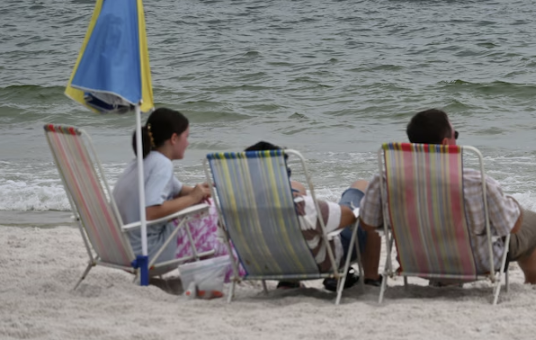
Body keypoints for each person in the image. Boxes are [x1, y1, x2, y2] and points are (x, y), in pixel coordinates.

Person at [357, 109, 536, 288]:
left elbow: (367, 223)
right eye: (455, 134)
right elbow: (512, 226)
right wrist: (513, 204)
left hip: (417, 262)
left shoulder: (385, 179)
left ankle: (442, 279)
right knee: (535, 223)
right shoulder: (477, 182)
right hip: (477, 264)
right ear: (445, 142)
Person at [242, 141, 373, 290]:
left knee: (298, 190)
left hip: (268, 265)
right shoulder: (300, 206)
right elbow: (348, 217)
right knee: (362, 191)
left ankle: (289, 281)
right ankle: (372, 278)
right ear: (280, 175)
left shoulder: (234, 210)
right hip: (321, 263)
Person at [111, 107, 216, 264]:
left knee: (207, 203)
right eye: (186, 137)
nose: (188, 143)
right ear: (174, 138)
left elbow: (178, 190)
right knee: (212, 213)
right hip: (148, 251)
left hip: (120, 249)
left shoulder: (143, 161)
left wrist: (201, 191)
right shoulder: (162, 164)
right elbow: (152, 211)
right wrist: (194, 198)